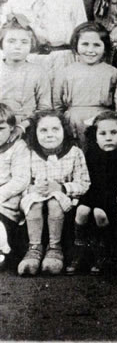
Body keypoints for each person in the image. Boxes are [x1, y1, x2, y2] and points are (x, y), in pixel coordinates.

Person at [17, 110, 90, 276]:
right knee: (34, 203)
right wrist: (32, 189)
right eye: (43, 130)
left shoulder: (74, 153)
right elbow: (22, 181)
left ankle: (54, 248)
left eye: (55, 129)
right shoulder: (29, 153)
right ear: (35, 133)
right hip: (35, 196)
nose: (50, 135)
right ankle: (34, 248)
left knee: (54, 202)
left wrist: (62, 187)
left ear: (64, 130)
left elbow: (84, 183)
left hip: (62, 199)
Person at [65, 111, 117, 275]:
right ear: (95, 136)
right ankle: (80, 248)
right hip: (93, 193)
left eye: (114, 133)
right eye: (102, 133)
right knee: (82, 211)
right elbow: (87, 182)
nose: (108, 137)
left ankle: (103, 251)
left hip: (115, 197)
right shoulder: (90, 154)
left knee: (99, 213)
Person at [53, 23, 117, 147]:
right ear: (75, 45)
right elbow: (57, 105)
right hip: (73, 123)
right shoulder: (65, 73)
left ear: (105, 47)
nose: (90, 50)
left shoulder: (114, 73)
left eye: (96, 45)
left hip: (103, 123)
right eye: (85, 44)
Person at [0, 18, 51, 133]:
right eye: (11, 41)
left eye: (24, 42)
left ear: (31, 45)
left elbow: (45, 108)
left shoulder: (38, 72)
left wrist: (23, 125)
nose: (18, 46)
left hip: (28, 127)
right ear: (1, 43)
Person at [0, 104, 29, 270]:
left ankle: (3, 250)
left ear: (12, 128)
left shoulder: (18, 147)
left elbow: (21, 179)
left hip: (6, 204)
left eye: (1, 128)